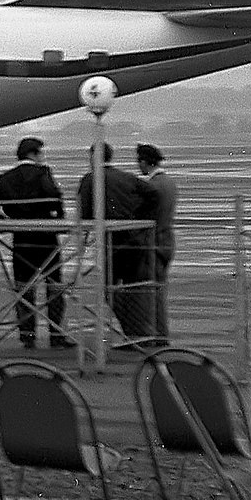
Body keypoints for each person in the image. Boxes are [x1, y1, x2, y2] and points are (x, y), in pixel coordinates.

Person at [0, 136, 74, 349]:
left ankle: (28, 335)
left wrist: (5, 221)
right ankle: (56, 335)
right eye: (40, 152)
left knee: (24, 289)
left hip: (21, 238)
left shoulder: (6, 177)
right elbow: (53, 195)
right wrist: (58, 218)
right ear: (33, 153)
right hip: (46, 237)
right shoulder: (43, 173)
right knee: (54, 286)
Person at [78, 142, 161, 348]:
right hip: (134, 239)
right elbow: (153, 195)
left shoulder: (89, 179)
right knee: (133, 288)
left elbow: (85, 211)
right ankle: (138, 334)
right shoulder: (126, 177)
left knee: (109, 288)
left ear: (92, 158)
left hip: (111, 242)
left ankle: (131, 332)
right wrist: (138, 217)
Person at [136, 144, 178, 343]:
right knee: (159, 288)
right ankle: (160, 333)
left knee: (151, 291)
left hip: (155, 241)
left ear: (145, 162)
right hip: (168, 238)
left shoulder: (152, 186)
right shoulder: (169, 182)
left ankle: (157, 335)